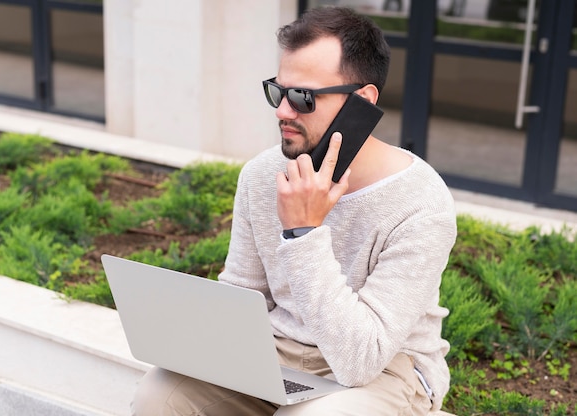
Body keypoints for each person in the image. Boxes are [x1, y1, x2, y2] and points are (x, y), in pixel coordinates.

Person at [132, 6, 457, 416]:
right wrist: (199, 337)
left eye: (303, 97)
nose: (282, 111)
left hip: (387, 369)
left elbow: (360, 360)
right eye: (278, 91)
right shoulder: (262, 174)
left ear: (362, 101)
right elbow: (243, 294)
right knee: (157, 395)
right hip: (276, 353)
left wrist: (304, 231)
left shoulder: (420, 203)